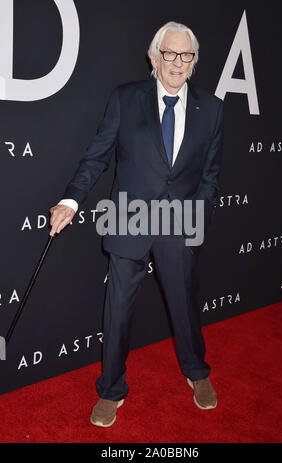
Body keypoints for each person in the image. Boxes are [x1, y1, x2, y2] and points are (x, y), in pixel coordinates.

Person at [49, 21, 224, 427]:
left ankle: (197, 373)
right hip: (129, 220)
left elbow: (211, 174)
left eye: (186, 55)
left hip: (180, 223)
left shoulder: (212, 108)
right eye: (169, 53)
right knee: (118, 312)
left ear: (194, 61)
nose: (177, 63)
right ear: (154, 57)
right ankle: (111, 390)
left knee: (184, 307)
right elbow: (97, 156)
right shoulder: (126, 99)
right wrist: (71, 199)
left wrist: (197, 217)